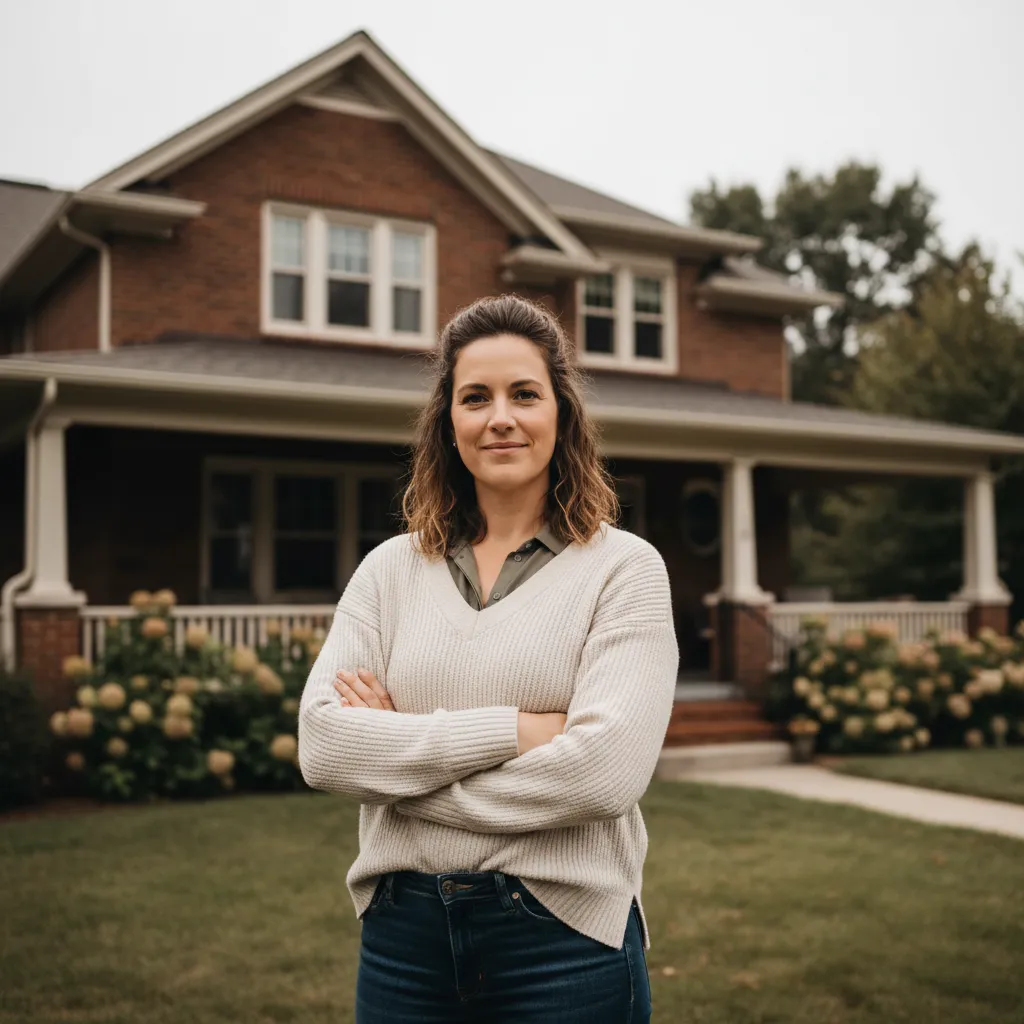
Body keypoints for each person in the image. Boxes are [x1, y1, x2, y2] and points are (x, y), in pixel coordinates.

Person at [298, 294, 679, 1023]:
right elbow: (323, 746)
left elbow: (603, 775)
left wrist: (398, 773)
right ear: (449, 421)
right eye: (475, 397)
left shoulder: (624, 570)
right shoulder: (388, 571)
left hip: (564, 940)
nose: (500, 417)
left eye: (524, 394)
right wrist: (519, 731)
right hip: (402, 941)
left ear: (562, 414)